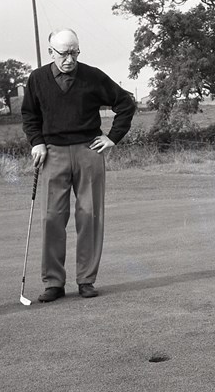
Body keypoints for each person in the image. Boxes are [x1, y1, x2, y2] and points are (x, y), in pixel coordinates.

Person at [21, 28, 136, 302]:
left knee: (90, 216)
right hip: (52, 154)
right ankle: (54, 283)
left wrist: (112, 138)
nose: (70, 59)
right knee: (51, 218)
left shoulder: (92, 76)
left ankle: (86, 280)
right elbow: (29, 114)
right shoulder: (37, 79)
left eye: (75, 52)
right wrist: (36, 142)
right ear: (51, 52)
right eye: (64, 53)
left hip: (89, 152)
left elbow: (125, 103)